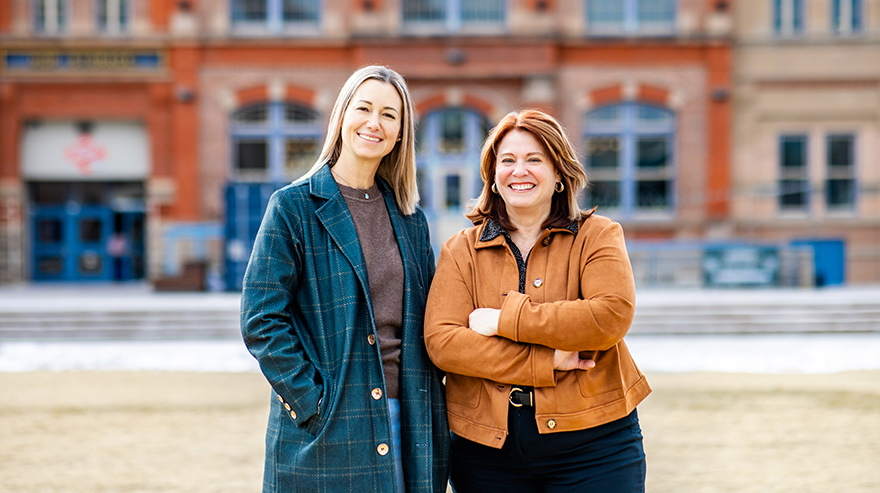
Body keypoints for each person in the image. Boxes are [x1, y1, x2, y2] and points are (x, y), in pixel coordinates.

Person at [241, 65, 449, 493]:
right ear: (342, 116)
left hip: (408, 419)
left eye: (389, 115)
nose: (374, 123)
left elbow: (431, 317)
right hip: (330, 421)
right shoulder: (292, 207)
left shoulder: (411, 219)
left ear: (400, 134)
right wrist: (310, 400)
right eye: (364, 108)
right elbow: (261, 319)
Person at [424, 109, 651, 492]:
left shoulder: (598, 235)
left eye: (534, 160)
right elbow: (444, 343)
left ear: (560, 173)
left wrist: (502, 320)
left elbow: (608, 317)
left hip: (596, 446)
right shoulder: (460, 250)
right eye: (507, 161)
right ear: (492, 176)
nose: (519, 171)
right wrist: (546, 361)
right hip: (485, 455)